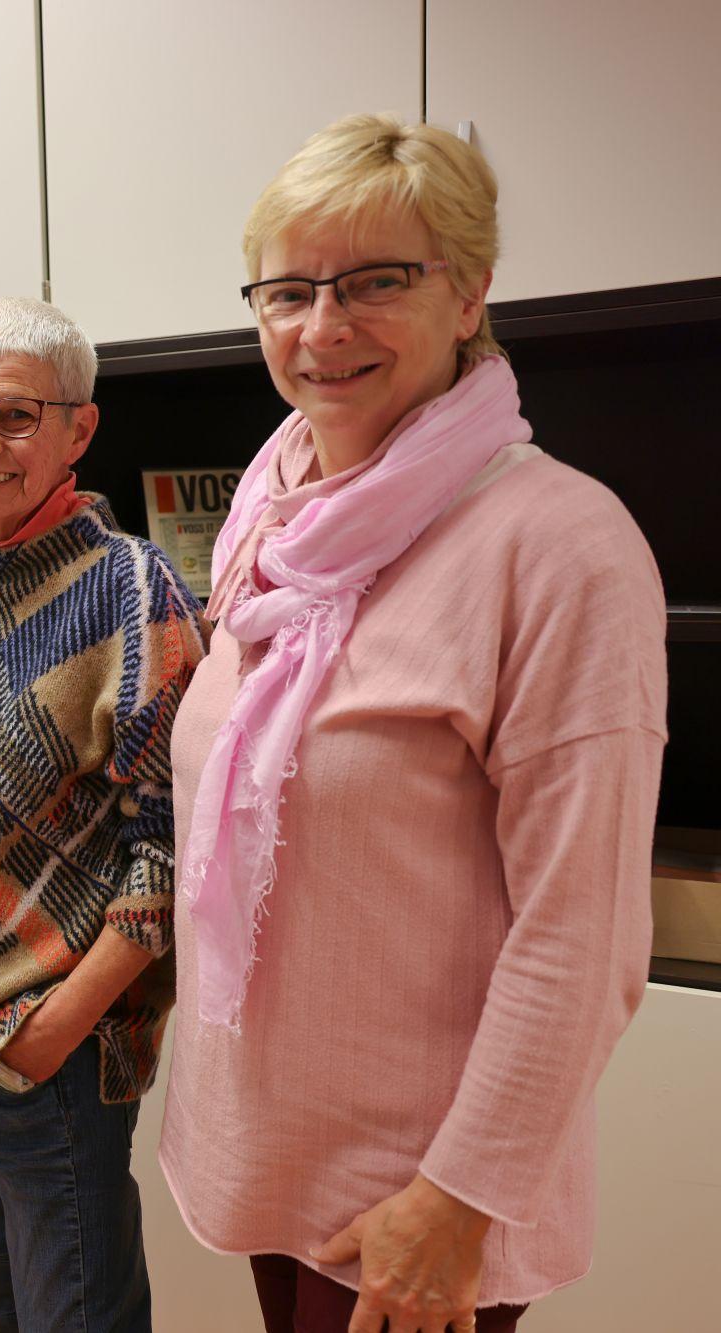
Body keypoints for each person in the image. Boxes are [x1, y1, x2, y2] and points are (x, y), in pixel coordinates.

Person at [159, 115, 667, 1333]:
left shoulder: (556, 544)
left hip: (412, 1188)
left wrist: (456, 1197)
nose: (320, 327)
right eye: (286, 289)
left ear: (468, 290)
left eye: (375, 281)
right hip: (261, 1146)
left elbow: (580, 933)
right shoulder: (265, 526)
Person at [0, 297, 204, 1332]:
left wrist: (53, 1028)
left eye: (15, 415)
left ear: (78, 429)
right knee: (10, 1311)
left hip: (51, 1058)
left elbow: (168, 850)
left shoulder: (130, 589)